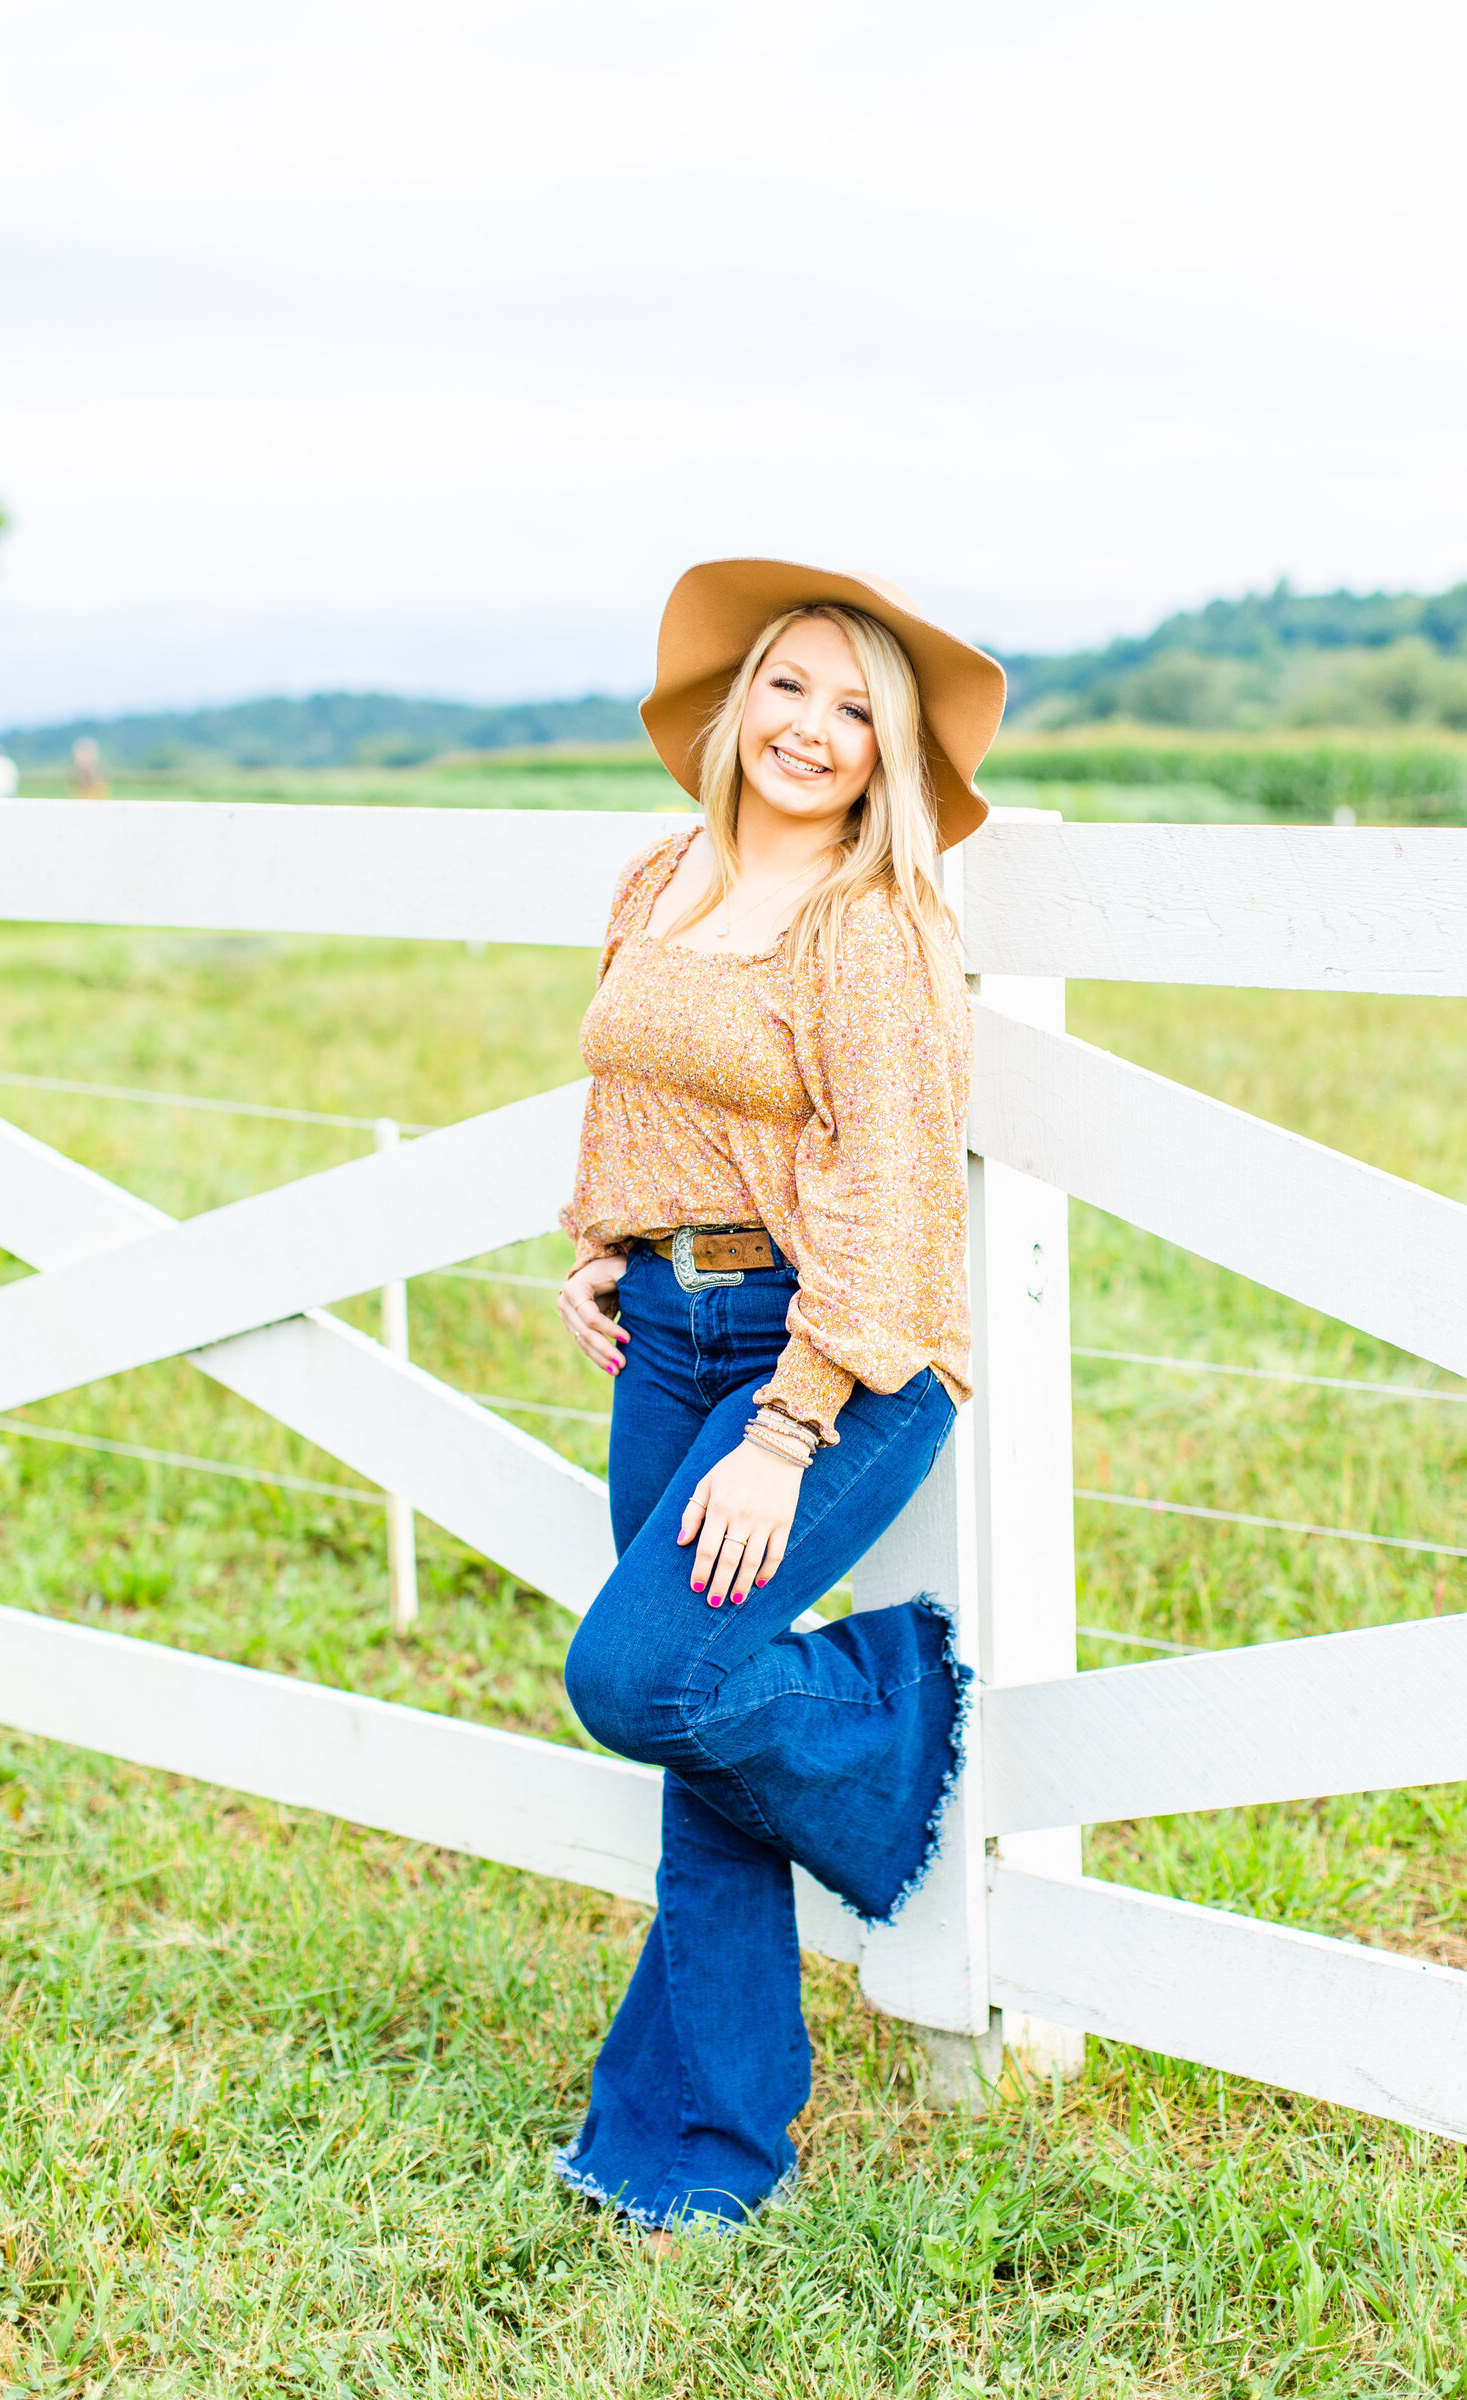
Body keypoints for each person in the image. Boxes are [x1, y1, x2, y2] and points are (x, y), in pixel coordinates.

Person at [553, 557, 1005, 2244]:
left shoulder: (875, 934)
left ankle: (888, 1718)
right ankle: (690, 2156)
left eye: (855, 709)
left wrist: (787, 1422)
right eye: (790, 686)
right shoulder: (656, 874)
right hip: (666, 1331)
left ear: (890, 758)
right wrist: (604, 1241)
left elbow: (894, 1202)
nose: (812, 729)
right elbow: (626, 1080)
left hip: (837, 1354)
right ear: (736, 703)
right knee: (694, 1740)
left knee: (642, 1676)